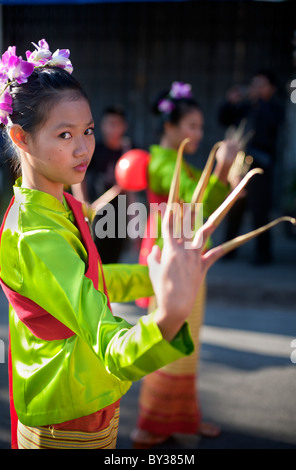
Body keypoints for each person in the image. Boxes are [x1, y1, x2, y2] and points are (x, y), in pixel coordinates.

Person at [0, 40, 227, 450]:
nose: (84, 147)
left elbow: (97, 281)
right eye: (65, 134)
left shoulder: (60, 205)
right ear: (22, 137)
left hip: (88, 399)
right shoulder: (34, 235)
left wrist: (156, 278)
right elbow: (107, 341)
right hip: (66, 415)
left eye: (86, 131)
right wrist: (166, 319)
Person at [131, 81, 240, 448]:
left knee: (186, 343)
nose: (198, 133)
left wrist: (226, 176)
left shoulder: (184, 167)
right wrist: (222, 173)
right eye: (191, 126)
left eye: (200, 127)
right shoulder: (162, 165)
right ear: (170, 126)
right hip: (172, 267)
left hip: (188, 263)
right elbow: (199, 213)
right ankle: (150, 424)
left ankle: (182, 418)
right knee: (171, 343)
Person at [218, 70, 284, 264]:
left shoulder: (273, 108)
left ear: (271, 88)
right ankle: (228, 250)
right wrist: (230, 102)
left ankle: (263, 254)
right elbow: (224, 118)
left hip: (260, 166)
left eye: (261, 85)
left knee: (259, 210)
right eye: (254, 84)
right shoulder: (244, 107)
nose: (255, 88)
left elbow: (271, 125)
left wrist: (258, 103)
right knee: (234, 206)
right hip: (239, 164)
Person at [72, 105, 132, 263]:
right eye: (110, 124)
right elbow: (79, 176)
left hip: (120, 213)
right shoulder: (94, 150)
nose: (113, 129)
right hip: (98, 211)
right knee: (95, 257)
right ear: (103, 126)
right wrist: (83, 202)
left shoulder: (129, 151)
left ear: (124, 126)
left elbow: (132, 189)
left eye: (117, 124)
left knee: (114, 258)